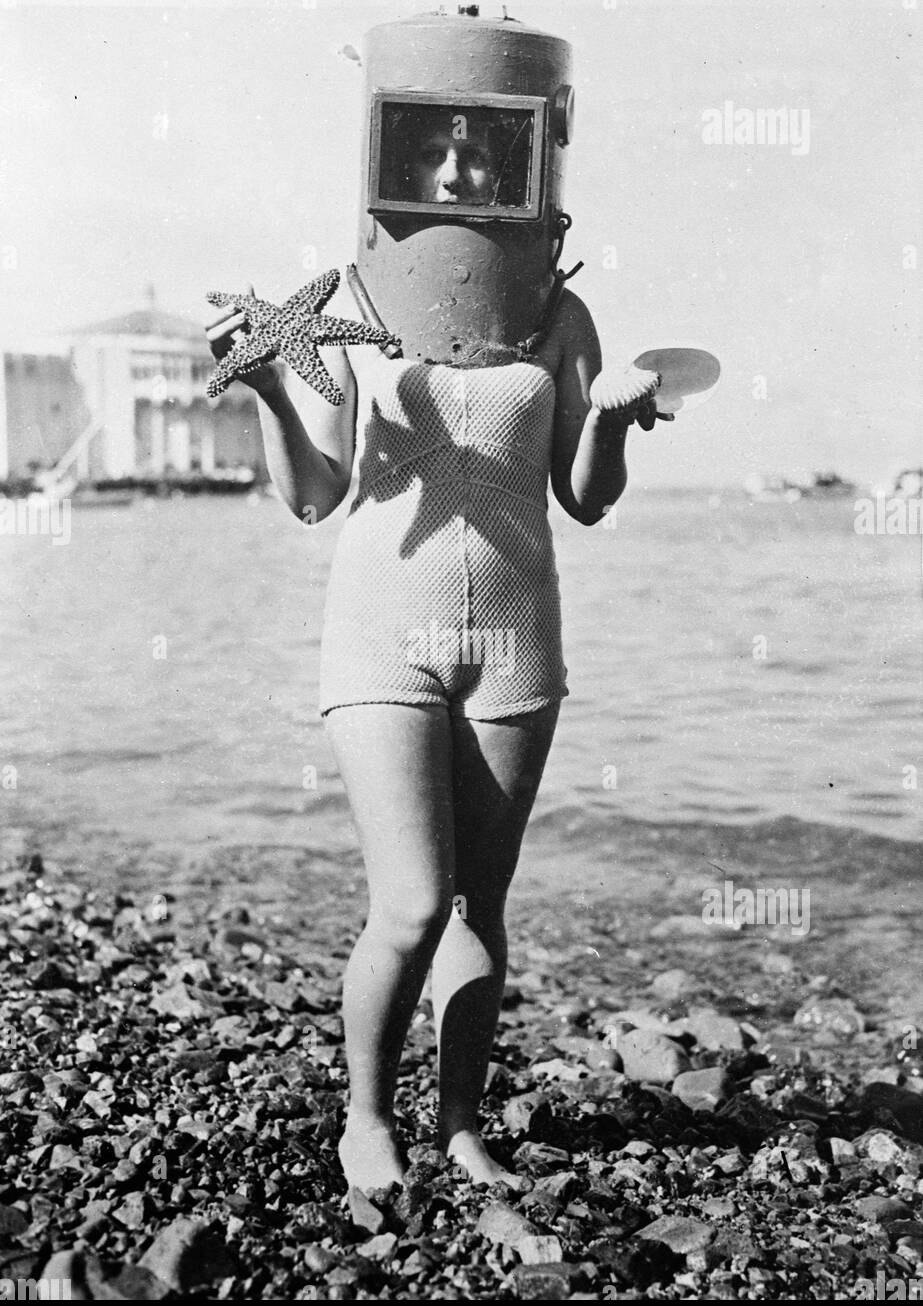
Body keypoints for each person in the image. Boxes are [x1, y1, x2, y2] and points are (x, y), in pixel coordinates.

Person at [204, 16, 667, 1194]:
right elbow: (314, 495)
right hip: (378, 631)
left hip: (514, 637)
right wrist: (265, 382)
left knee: (480, 907)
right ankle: (366, 1115)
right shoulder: (342, 301)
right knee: (410, 902)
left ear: (522, 158)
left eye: (483, 148)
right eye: (437, 148)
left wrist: (610, 419)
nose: (460, 169)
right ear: (398, 152)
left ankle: (459, 1119)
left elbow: (583, 497)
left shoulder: (558, 316)